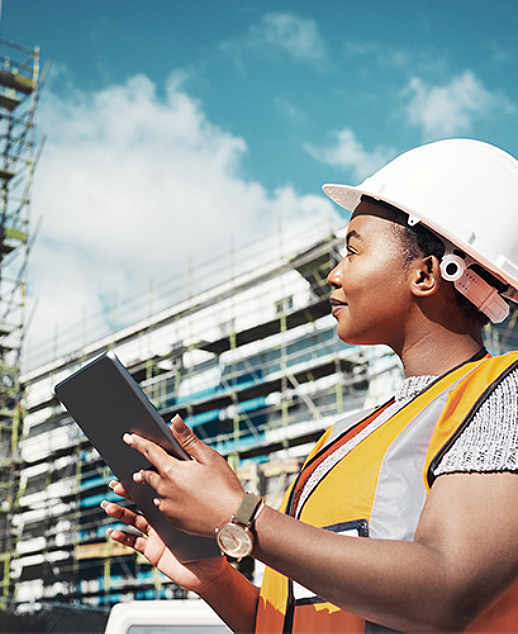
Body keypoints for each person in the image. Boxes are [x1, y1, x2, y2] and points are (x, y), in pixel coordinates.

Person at [101, 138, 518, 632]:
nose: (334, 274)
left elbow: (449, 590)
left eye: (353, 250)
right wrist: (214, 579)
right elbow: (300, 619)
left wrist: (241, 515)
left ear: (427, 273)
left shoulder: (502, 392)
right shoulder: (343, 441)